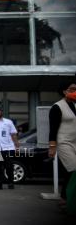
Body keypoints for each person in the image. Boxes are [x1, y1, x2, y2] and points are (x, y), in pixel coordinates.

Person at [48, 81, 76, 209]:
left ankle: (65, 197)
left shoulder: (74, 105)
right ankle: (66, 198)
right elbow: (53, 129)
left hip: (75, 142)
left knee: (71, 172)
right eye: (72, 89)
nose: (75, 91)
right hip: (64, 142)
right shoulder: (57, 107)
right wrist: (52, 147)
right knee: (73, 169)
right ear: (65, 91)